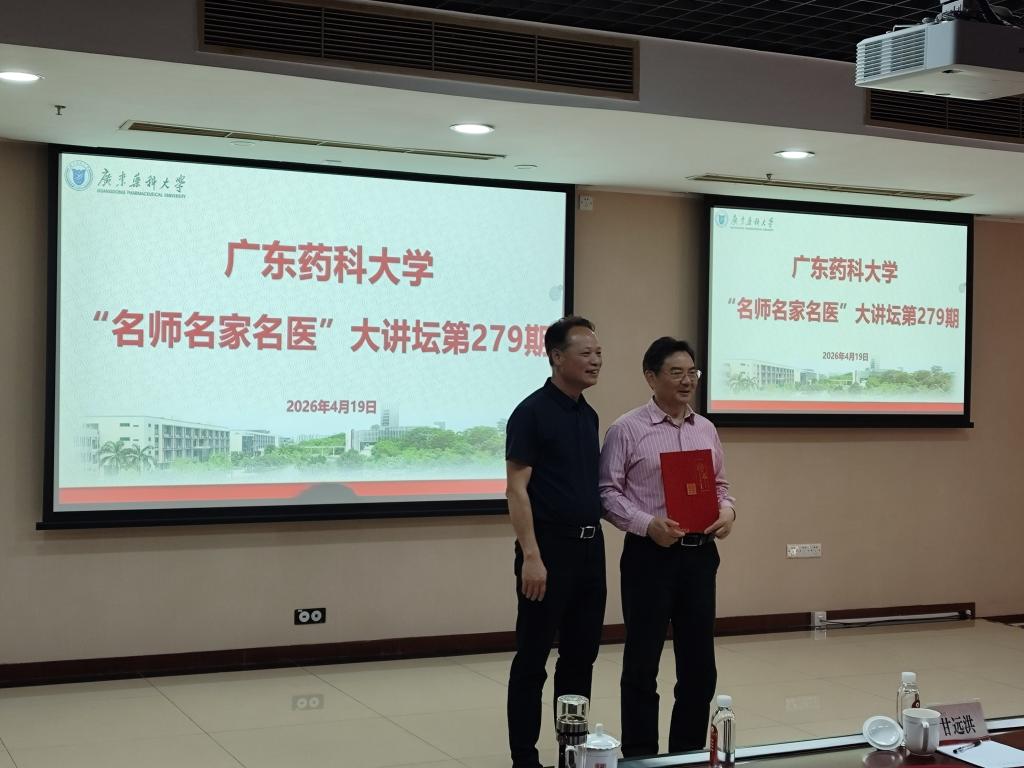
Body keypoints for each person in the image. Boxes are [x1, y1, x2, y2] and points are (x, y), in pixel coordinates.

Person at [599, 337, 736, 758]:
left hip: (699, 556)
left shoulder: (706, 429)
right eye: (676, 372)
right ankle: (641, 756)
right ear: (651, 377)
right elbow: (606, 493)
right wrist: (647, 524)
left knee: (700, 666)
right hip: (649, 556)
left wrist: (728, 511)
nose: (687, 380)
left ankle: (687, 754)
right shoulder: (626, 429)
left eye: (692, 372)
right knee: (643, 664)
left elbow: (720, 486)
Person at [505, 315, 607, 768]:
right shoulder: (531, 412)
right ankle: (524, 759)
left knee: (581, 658)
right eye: (586, 353)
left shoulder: (588, 414)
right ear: (557, 357)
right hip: (547, 550)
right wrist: (531, 555)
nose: (595, 361)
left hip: (590, 549)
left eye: (599, 353)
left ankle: (572, 752)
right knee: (532, 659)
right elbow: (517, 489)